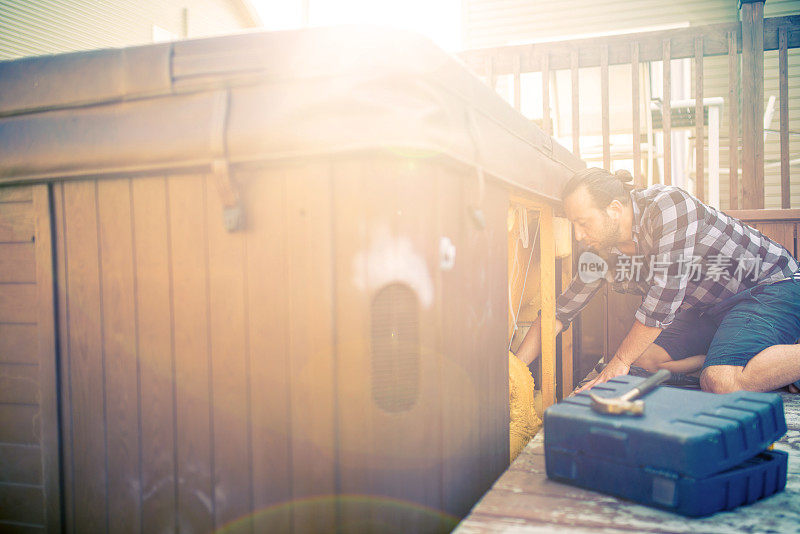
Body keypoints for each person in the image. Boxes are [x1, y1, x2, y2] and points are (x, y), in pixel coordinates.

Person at [513, 167, 800, 394]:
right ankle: (750, 358)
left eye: (583, 222)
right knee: (643, 359)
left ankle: (745, 362)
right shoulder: (601, 250)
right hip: (712, 309)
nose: (578, 235)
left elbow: (662, 304)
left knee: (720, 381)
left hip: (771, 286)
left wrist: (617, 364)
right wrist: (514, 370)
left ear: (614, 209)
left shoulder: (668, 206)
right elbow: (560, 311)